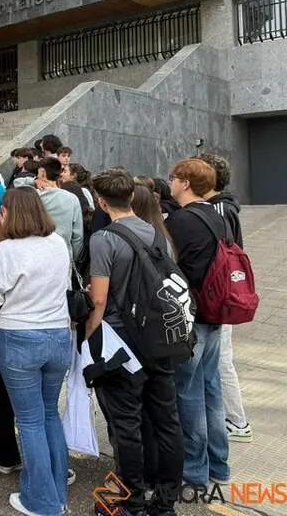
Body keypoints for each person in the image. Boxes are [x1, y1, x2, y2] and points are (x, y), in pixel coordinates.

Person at [85, 171, 184, 516]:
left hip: (121, 342)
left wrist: (88, 337)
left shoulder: (103, 239)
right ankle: (166, 501)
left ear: (100, 201)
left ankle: (131, 501)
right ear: (132, 196)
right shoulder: (157, 233)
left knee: (127, 422)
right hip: (158, 338)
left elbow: (98, 299)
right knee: (166, 420)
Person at [0, 188, 72, 516]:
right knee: (49, 416)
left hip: (19, 337)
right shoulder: (58, 243)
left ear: (6, 214)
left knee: (29, 421)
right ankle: (57, 493)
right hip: (58, 335)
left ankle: (41, 502)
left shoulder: (5, 251)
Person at [164, 158, 231, 488]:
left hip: (191, 317)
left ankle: (194, 469)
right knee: (211, 388)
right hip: (216, 313)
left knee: (188, 393)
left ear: (185, 184)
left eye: (174, 177)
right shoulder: (217, 216)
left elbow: (176, 271)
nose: (170, 182)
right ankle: (219, 464)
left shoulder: (181, 220)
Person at [195, 153, 251, 443]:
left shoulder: (217, 209)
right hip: (222, 292)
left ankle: (238, 420)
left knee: (222, 361)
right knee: (219, 359)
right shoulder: (223, 206)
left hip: (219, 294)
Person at [36, 156, 84, 261]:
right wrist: (72, 258)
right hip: (64, 255)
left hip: (37, 255)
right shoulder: (72, 198)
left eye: (38, 173)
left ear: (43, 173)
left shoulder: (33, 197)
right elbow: (78, 236)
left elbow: (19, 182)